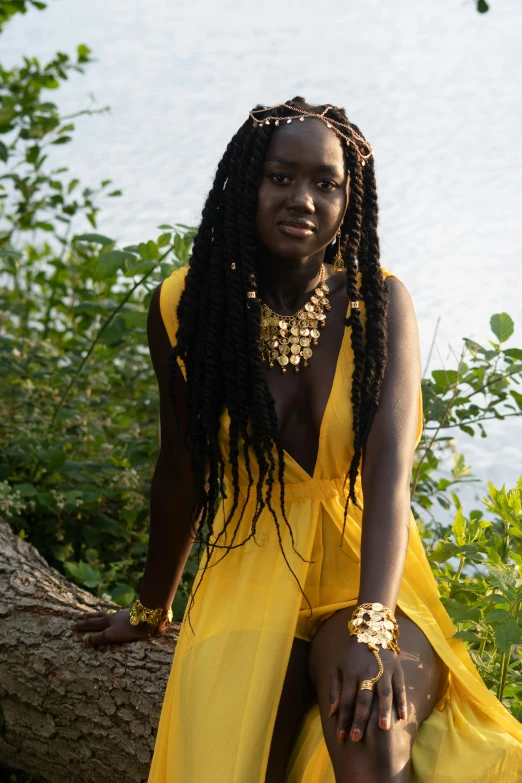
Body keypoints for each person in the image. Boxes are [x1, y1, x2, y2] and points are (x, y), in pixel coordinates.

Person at [71, 97, 522, 782]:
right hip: (250, 568)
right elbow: (182, 469)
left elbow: (390, 474)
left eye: (325, 184)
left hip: (364, 570)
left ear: (350, 198)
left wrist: (375, 624)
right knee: (226, 762)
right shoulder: (186, 307)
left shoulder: (379, 302)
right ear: (245, 182)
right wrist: (150, 608)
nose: (302, 198)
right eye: (281, 177)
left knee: (371, 721)